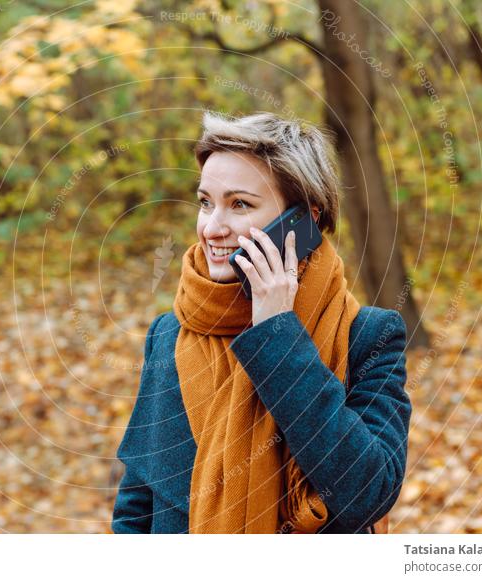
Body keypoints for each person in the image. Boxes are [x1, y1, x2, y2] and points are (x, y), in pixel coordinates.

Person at [111, 110, 411, 534]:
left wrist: (278, 334)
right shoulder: (169, 336)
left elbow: (367, 492)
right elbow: (135, 512)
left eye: (239, 205)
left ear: (303, 219)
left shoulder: (368, 336)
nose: (212, 228)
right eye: (205, 203)